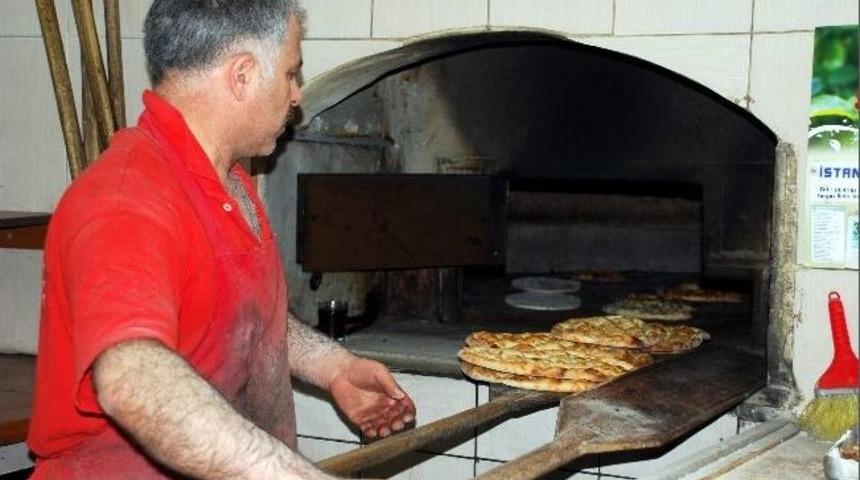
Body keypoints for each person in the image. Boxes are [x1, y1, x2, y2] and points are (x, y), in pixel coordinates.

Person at [26, 1, 415, 478]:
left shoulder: (229, 180)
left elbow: (239, 316)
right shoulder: (126, 198)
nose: (296, 95)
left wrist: (332, 366)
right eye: (292, 74)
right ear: (243, 75)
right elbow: (133, 380)